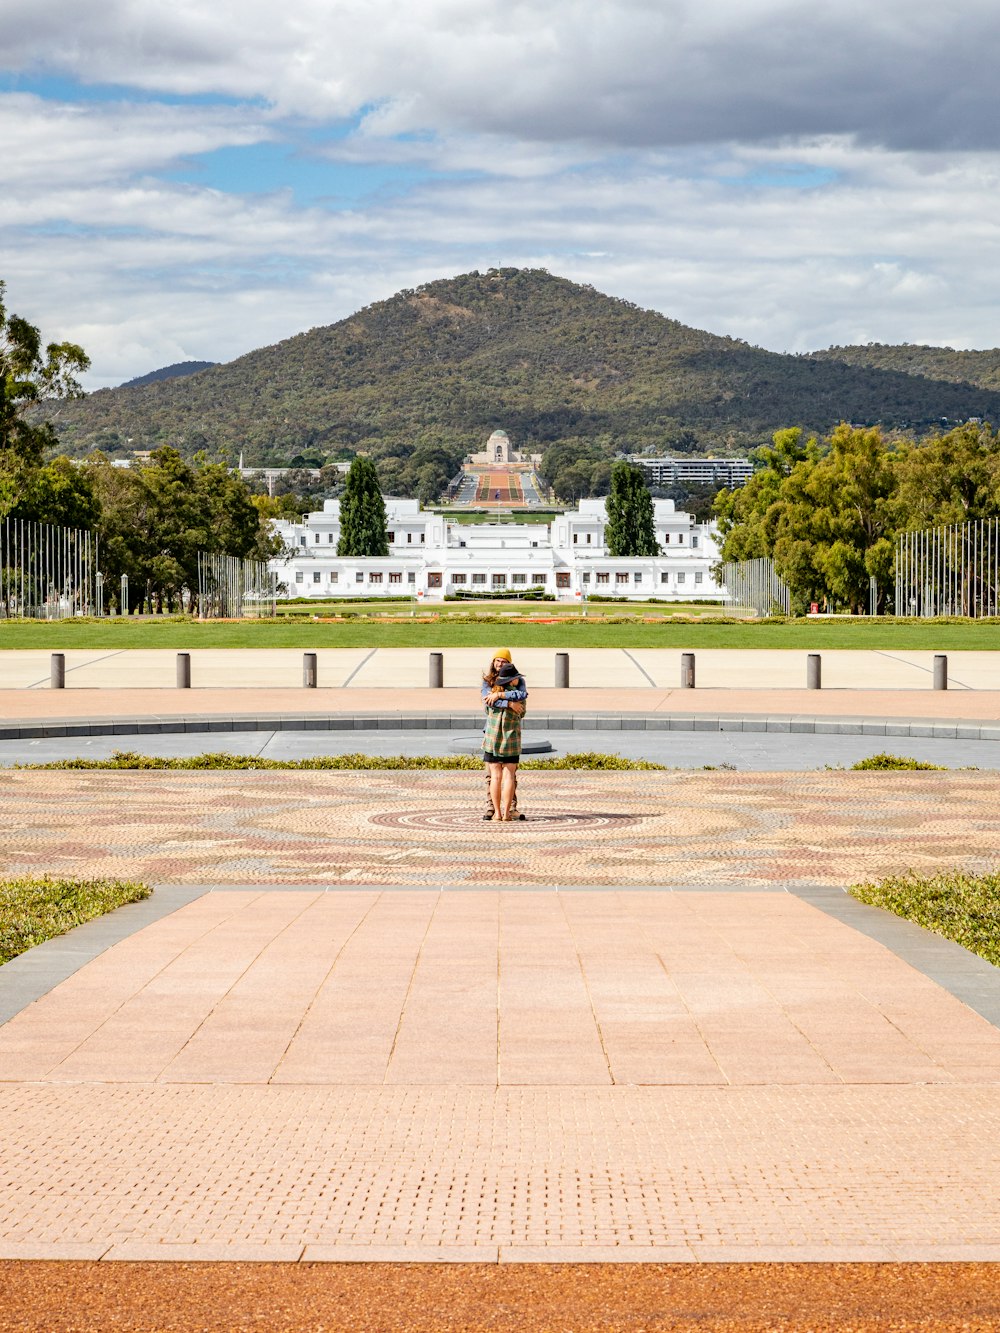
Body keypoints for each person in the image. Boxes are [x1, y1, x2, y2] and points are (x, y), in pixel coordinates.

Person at [481, 650, 526, 822]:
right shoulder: (489, 682)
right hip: (511, 738)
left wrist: (499, 695)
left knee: (495, 776)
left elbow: (487, 705)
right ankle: (503, 811)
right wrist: (510, 703)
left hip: (492, 737)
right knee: (507, 776)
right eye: (497, 661)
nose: (499, 664)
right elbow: (522, 708)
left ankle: (499, 813)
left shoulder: (495, 688)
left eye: (503, 661)